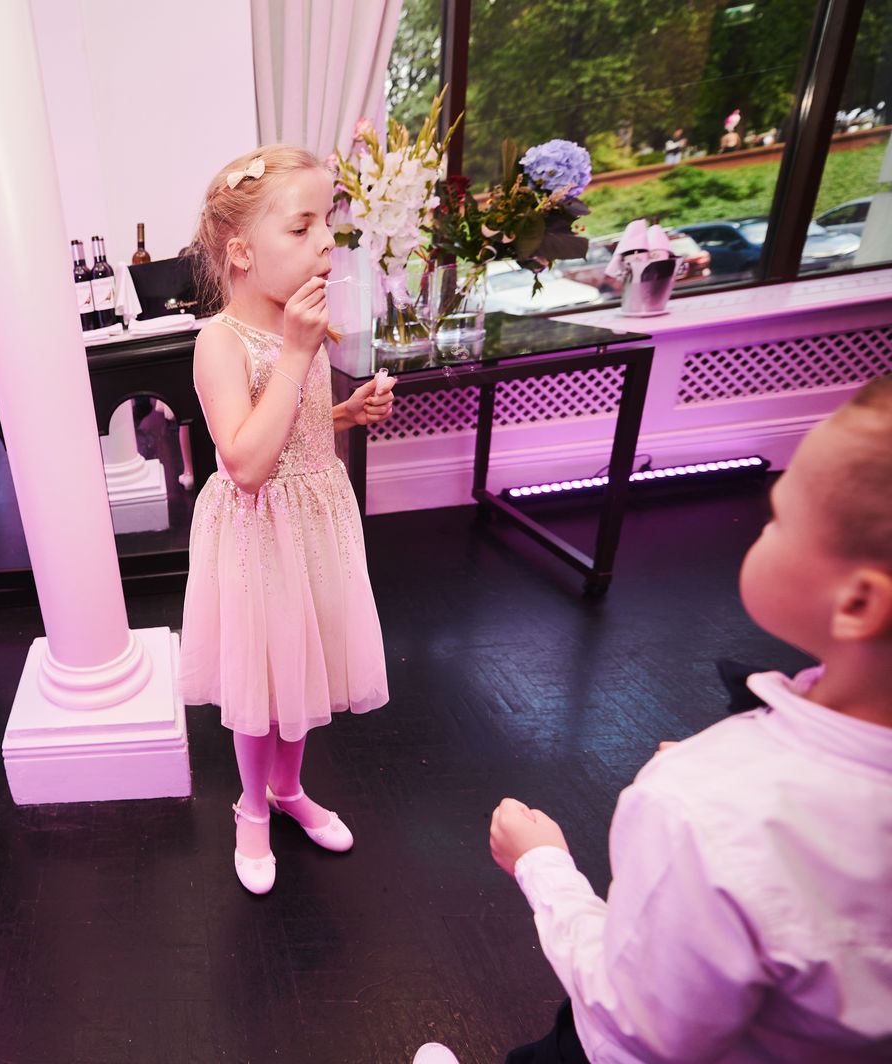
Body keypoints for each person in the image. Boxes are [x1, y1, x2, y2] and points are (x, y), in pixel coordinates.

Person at [421, 376, 892, 1062]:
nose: (764, 527)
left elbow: (639, 1020)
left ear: (857, 604)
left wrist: (541, 865)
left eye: (780, 519)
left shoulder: (698, 809)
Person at [179, 144, 396, 894]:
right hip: (259, 528)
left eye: (327, 222)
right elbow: (245, 462)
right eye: (302, 228)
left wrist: (343, 412)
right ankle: (250, 806)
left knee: (305, 664)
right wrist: (301, 355)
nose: (326, 243)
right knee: (263, 679)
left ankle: (288, 788)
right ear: (241, 252)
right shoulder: (220, 341)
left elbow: (292, 427)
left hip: (313, 521)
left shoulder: (294, 325)